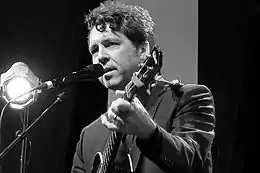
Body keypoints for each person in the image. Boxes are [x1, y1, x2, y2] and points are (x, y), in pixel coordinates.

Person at [71, 0, 215, 173]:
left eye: (111, 44)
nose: (100, 56)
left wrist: (150, 133)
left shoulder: (188, 98)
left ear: (143, 51)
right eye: (94, 50)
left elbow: (191, 163)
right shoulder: (88, 136)